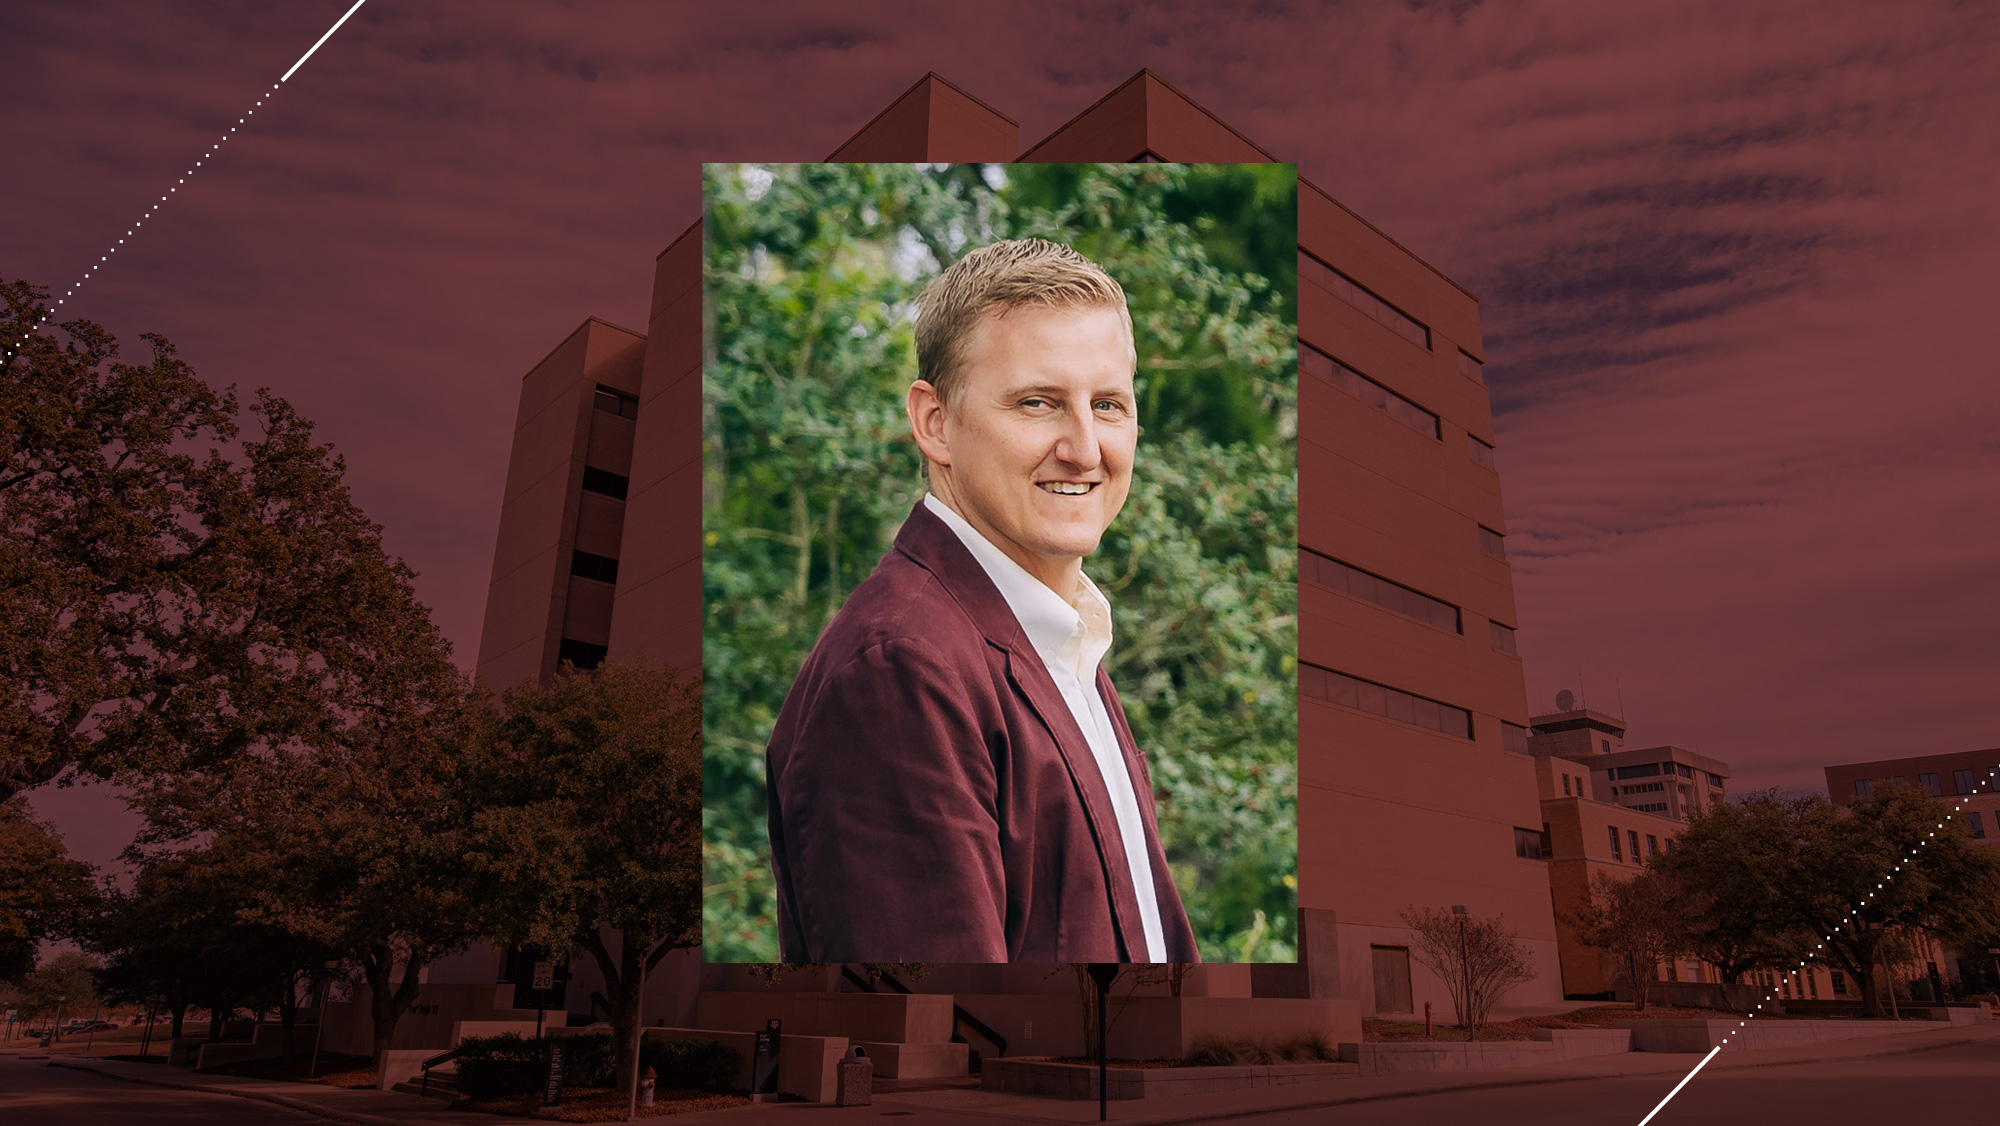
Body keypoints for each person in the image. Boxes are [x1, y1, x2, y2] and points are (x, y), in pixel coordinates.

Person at [764, 238, 1199, 963]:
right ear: (934, 423)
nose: (1086, 449)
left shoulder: (1062, 643)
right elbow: (946, 1040)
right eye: (1038, 403)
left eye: (1109, 405)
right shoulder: (900, 670)